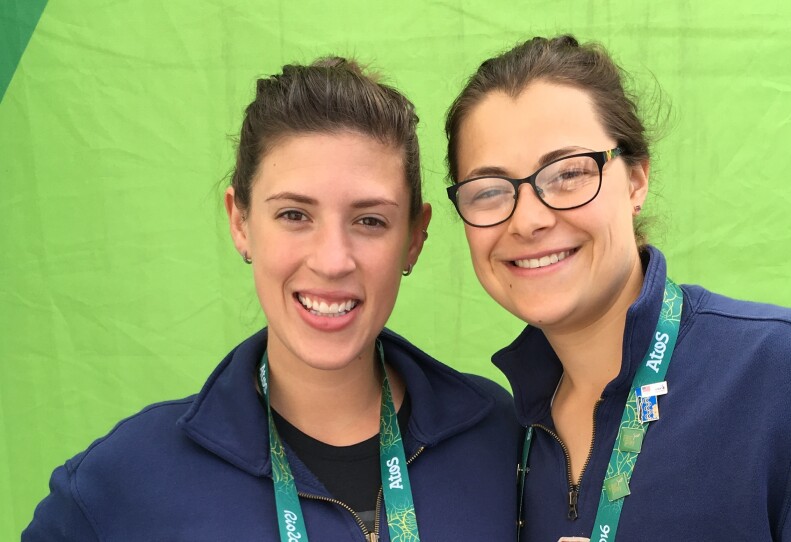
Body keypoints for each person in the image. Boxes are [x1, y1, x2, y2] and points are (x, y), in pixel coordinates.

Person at [24, 57, 519, 541]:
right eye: (294, 215)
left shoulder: (503, 440)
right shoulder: (127, 482)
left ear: (414, 238)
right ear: (240, 222)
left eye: (370, 220)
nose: (332, 261)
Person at [443, 35, 791, 541]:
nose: (528, 220)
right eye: (489, 191)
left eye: (568, 173)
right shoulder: (498, 437)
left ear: (636, 180)